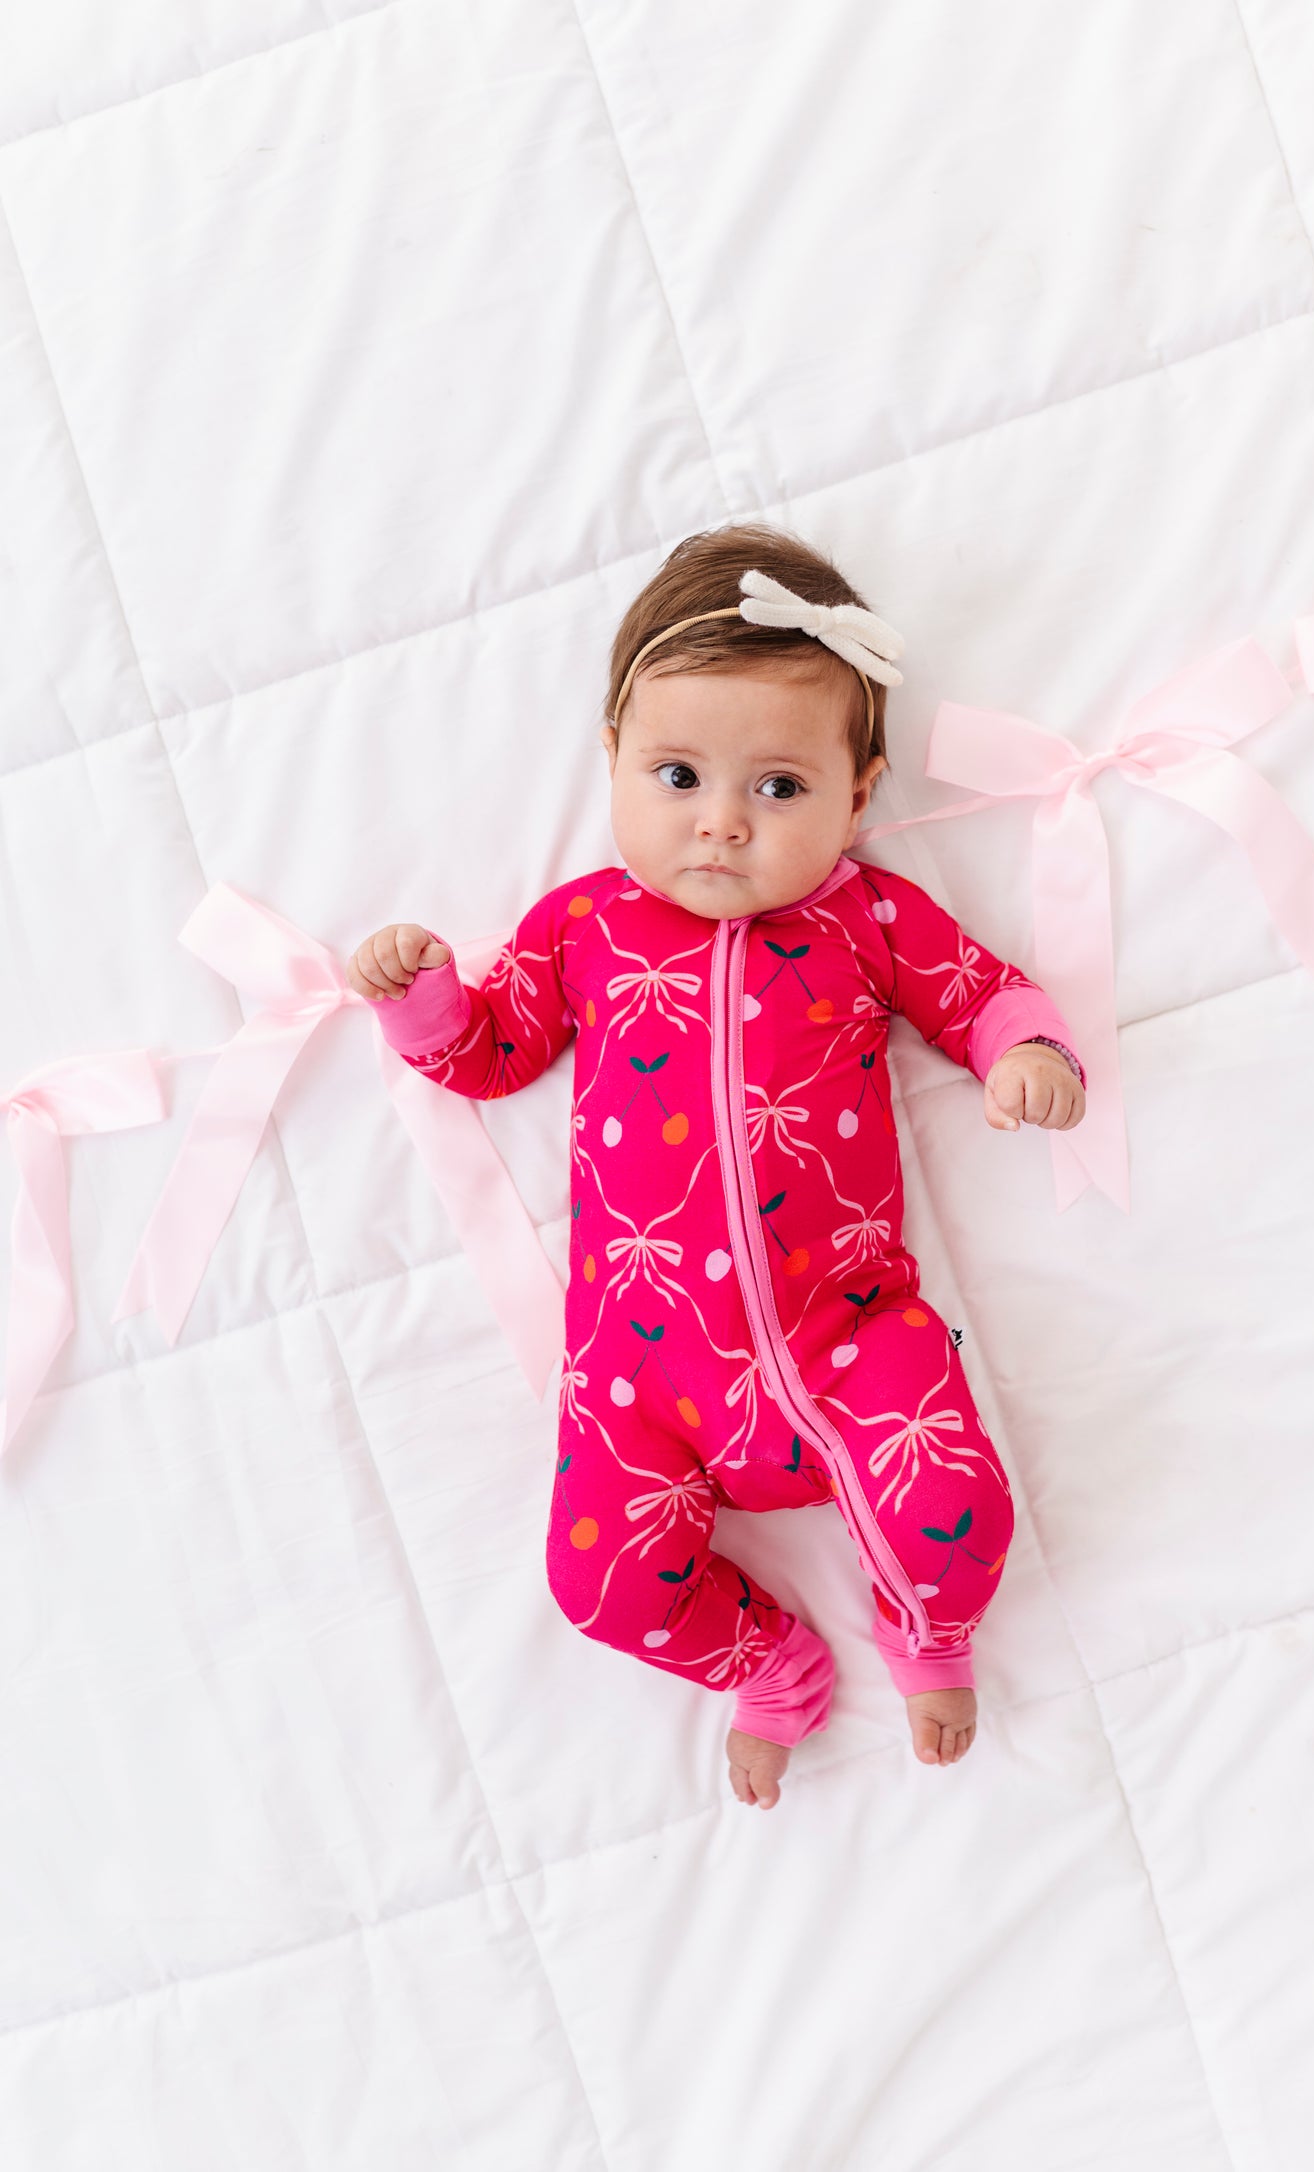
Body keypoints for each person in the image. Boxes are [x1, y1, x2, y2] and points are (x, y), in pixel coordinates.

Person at [345, 522, 1085, 1811]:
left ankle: (927, 1633)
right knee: (599, 1583)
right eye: (678, 775)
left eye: (781, 788)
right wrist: (422, 1002)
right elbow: (494, 1053)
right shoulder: (585, 927)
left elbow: (977, 991)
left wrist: (1024, 1052)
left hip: (853, 1340)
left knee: (958, 1510)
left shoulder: (866, 916)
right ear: (613, 760)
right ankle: (767, 1662)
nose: (724, 825)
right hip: (643, 1375)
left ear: (858, 796)